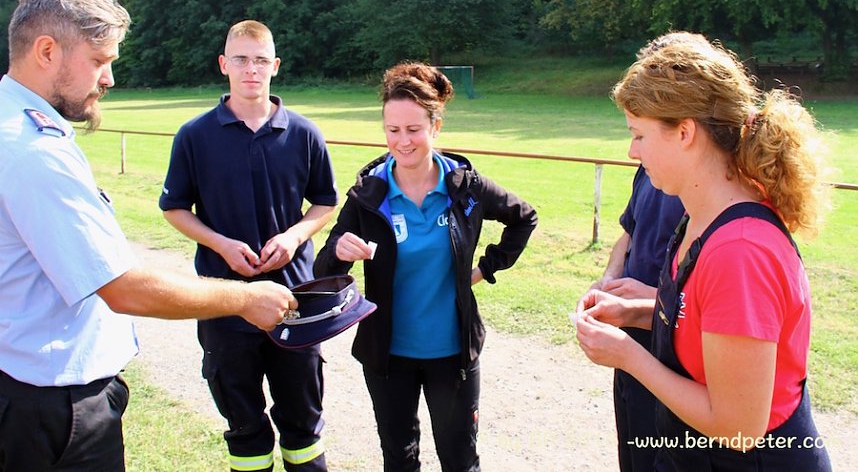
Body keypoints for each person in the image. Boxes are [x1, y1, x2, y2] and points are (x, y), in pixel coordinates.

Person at [0, 0, 298, 472]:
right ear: (47, 51)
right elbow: (123, 288)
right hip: (52, 407)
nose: (109, 78)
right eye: (99, 61)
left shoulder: (18, 125)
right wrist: (246, 299)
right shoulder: (30, 148)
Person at [575, 33, 833, 470]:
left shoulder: (741, 250)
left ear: (684, 132)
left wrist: (628, 354)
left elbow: (739, 427)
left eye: (638, 135)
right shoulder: (702, 217)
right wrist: (637, 311)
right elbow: (703, 320)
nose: (632, 151)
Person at [313, 62, 538, 472]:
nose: (403, 141)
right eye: (393, 130)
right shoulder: (368, 195)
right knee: (399, 459)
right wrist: (340, 251)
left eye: (414, 130)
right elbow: (322, 266)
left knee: (459, 458)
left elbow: (524, 218)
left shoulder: (465, 186)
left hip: (452, 356)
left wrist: (486, 268)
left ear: (436, 127)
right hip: (387, 356)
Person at [159, 19, 338, 472]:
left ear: (275, 66)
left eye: (260, 60)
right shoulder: (195, 136)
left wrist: (294, 236)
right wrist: (220, 244)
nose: (251, 69)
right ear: (224, 65)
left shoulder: (304, 133)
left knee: (303, 423)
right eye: (240, 59)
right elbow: (174, 208)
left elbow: (324, 202)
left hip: (294, 299)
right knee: (244, 424)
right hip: (225, 301)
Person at [588, 33, 697, 471]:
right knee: (633, 451)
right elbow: (628, 233)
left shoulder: (711, 195)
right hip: (632, 331)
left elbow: (737, 420)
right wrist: (609, 282)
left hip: (675, 343)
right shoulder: (652, 165)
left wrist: (649, 305)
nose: (633, 148)